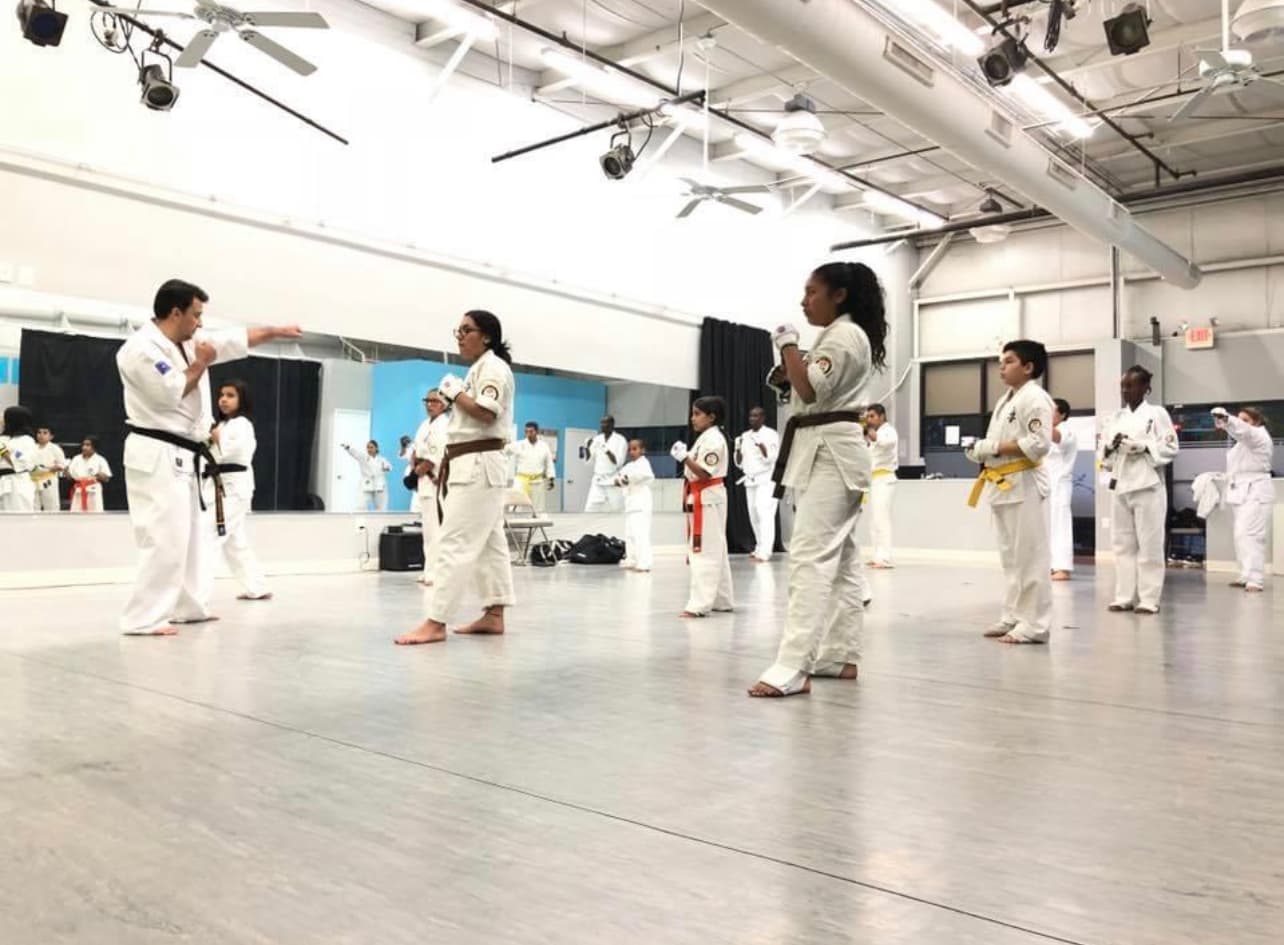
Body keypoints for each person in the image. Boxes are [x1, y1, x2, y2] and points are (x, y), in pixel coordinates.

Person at [116, 277, 299, 636]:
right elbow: (170, 392)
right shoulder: (139, 349)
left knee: (192, 539)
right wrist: (200, 364)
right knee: (163, 538)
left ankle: (188, 608)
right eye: (196, 315)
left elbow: (236, 339)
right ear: (175, 312)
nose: (200, 323)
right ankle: (142, 618)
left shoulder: (189, 341)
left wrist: (274, 331)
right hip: (156, 450)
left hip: (186, 454)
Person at [749, 262, 882, 697]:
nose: (804, 301)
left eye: (812, 293)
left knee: (808, 558)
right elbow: (805, 388)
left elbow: (810, 390)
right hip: (824, 450)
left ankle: (793, 665)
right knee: (841, 562)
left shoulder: (844, 334)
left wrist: (788, 345)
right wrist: (792, 366)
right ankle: (840, 655)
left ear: (838, 295)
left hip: (833, 455)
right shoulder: (840, 336)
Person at [396, 310, 516, 646]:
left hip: (478, 462)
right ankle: (494, 614)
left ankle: (435, 621)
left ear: (487, 336)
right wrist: (457, 391)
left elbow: (486, 412)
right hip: (473, 462)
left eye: (467, 330)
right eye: (458, 331)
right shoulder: (480, 369)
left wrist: (454, 392)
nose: (460, 336)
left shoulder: (493, 368)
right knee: (491, 544)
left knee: (454, 542)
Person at [964, 341, 1055, 644]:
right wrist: (981, 450)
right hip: (1001, 484)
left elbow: (1039, 442)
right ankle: (1014, 615)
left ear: (1028, 367)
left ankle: (1035, 625)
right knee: (1011, 559)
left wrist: (995, 447)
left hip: (1025, 483)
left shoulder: (1036, 398)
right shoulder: (1007, 400)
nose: (1001, 367)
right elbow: (997, 442)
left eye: (1009, 361)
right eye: (1001, 361)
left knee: (1031, 558)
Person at [1099, 365, 1178, 615]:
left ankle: (1148, 599)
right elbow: (1104, 452)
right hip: (1120, 483)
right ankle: (1124, 596)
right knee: (1122, 544)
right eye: (1123, 385)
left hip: (1148, 484)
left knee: (1150, 544)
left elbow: (1170, 447)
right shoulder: (1115, 418)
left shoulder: (1157, 414)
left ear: (1146, 388)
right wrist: (1111, 448)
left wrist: (1142, 447)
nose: (1125, 390)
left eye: (1131, 385)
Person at [206, 379, 270, 601]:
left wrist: (216, 439)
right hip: (219, 483)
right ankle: (256, 586)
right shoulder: (222, 425)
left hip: (235, 486)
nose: (223, 399)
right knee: (234, 541)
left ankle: (196, 597)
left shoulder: (243, 424)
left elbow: (233, 452)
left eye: (230, 395)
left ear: (241, 400)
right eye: (221, 395)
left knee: (211, 535)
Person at [673, 396, 734, 617]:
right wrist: (687, 457)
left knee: (704, 551)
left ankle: (699, 605)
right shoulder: (706, 438)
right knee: (717, 548)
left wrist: (684, 459)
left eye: (697, 414)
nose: (693, 419)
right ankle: (722, 599)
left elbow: (704, 472)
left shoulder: (714, 440)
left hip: (707, 496)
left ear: (711, 417)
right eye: (693, 413)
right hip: (703, 495)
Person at [1213, 405, 1273, 593]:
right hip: (1240, 491)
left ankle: (1255, 579)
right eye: (1239, 419)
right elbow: (1240, 434)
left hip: (1256, 491)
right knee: (1240, 535)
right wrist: (1225, 422)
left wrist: (1229, 420)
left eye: (1246, 420)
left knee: (1252, 536)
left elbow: (1244, 431)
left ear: (1256, 422)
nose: (1242, 423)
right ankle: (1246, 574)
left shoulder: (1259, 436)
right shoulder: (1241, 443)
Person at [411, 388, 450, 586]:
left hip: (437, 480)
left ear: (444, 404)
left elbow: (438, 455)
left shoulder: (446, 425)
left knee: (436, 530)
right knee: (428, 529)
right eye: (427, 400)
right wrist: (414, 467)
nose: (429, 404)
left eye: (434, 401)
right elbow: (416, 451)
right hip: (424, 481)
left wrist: (422, 469)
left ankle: (437, 572)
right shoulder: (424, 425)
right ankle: (428, 568)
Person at [734, 406, 780, 562]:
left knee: (764, 513)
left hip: (766, 480)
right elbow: (739, 463)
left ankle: (766, 550)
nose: (752, 419)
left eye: (756, 416)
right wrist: (738, 449)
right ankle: (759, 546)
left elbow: (772, 458)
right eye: (751, 416)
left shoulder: (771, 434)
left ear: (763, 418)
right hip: (750, 479)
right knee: (753, 515)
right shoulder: (744, 436)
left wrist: (761, 446)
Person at [863, 403, 898, 569]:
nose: (869, 420)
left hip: (885, 479)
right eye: (868, 417)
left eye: (872, 416)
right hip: (873, 481)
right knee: (874, 521)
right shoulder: (872, 436)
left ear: (882, 416)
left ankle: (885, 557)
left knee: (882, 520)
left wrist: (868, 431)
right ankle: (877, 555)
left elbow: (884, 443)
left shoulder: (888, 431)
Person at [1047, 398, 1077, 581]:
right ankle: (1050, 565)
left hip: (1059, 486)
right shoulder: (1044, 433)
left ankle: (1063, 567)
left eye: (1051, 411)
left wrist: (1037, 425)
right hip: (1044, 486)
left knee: (1060, 525)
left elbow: (1058, 438)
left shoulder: (1067, 430)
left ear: (1062, 415)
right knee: (1046, 527)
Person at [616, 438, 655, 572]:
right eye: (630, 449)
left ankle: (644, 563)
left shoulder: (644, 463)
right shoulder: (629, 465)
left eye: (635, 449)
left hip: (641, 502)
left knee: (640, 534)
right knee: (630, 534)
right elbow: (619, 478)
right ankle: (632, 559)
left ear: (642, 450)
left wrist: (626, 479)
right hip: (631, 503)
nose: (631, 452)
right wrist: (621, 480)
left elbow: (644, 476)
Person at [583, 415, 627, 512]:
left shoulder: (620, 440)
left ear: (612, 425)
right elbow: (589, 461)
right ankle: (589, 527)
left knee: (618, 509)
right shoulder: (597, 439)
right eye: (601, 423)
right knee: (589, 509)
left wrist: (606, 449)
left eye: (605, 423)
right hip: (598, 479)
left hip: (613, 479)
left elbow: (618, 463)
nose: (603, 425)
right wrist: (587, 448)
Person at [511, 421, 556, 513]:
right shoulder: (519, 444)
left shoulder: (544, 446)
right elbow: (506, 449)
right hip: (521, 481)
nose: (528, 434)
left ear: (537, 432)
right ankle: (515, 525)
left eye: (531, 431)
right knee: (516, 506)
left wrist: (551, 479)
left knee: (538, 508)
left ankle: (536, 523)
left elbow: (549, 463)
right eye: (526, 432)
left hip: (537, 481)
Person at [0, 405, 38, 513]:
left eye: (4, 416)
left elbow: (21, 462)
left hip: (16, 482)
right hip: (1, 480)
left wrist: (3, 451)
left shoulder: (26, 440)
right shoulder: (3, 438)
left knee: (17, 515)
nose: (1, 419)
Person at [342, 440, 392, 512]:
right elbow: (355, 453)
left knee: (382, 507)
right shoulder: (363, 457)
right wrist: (348, 447)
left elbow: (389, 467)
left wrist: (386, 468)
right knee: (360, 505)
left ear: (376, 448)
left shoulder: (382, 460)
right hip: (366, 482)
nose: (369, 449)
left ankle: (380, 521)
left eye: (371, 447)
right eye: (368, 447)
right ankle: (361, 522)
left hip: (379, 483)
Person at [66, 437, 113, 513]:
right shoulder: (76, 459)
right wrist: (66, 469)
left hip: (93, 489)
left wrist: (98, 473)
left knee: (95, 513)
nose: (84, 447)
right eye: (83, 445)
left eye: (88, 445)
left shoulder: (100, 459)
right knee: (76, 513)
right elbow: (69, 477)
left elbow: (106, 478)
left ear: (94, 447)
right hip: (79, 488)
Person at [32, 426, 67, 512]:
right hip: (34, 478)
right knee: (34, 505)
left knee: (51, 505)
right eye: (39, 432)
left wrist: (53, 468)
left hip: (49, 479)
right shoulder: (32, 447)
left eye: (45, 433)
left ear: (51, 436)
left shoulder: (55, 448)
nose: (41, 435)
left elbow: (62, 464)